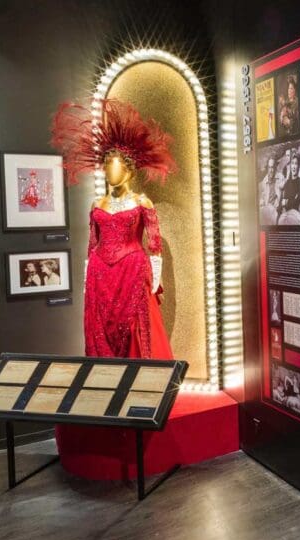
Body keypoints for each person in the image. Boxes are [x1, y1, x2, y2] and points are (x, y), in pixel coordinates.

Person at [51, 98, 175, 360]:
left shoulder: (142, 202)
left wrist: (153, 277)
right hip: (99, 272)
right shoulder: (97, 203)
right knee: (100, 327)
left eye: (116, 167)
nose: (110, 172)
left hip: (132, 269)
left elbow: (154, 245)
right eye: (107, 167)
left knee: (133, 325)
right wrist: (87, 278)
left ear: (129, 171)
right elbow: (92, 244)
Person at [279, 153, 300, 220]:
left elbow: (296, 202)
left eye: (296, 164)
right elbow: (282, 202)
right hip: (284, 215)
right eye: (292, 163)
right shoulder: (287, 182)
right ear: (290, 165)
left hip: (294, 215)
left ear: (298, 166)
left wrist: (286, 202)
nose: (294, 166)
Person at [259, 156, 280, 226]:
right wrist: (261, 203)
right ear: (267, 168)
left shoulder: (280, 178)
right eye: (269, 167)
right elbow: (262, 197)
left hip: (276, 210)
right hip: (267, 210)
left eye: (273, 167)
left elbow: (282, 195)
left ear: (275, 168)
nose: (271, 170)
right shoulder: (264, 182)